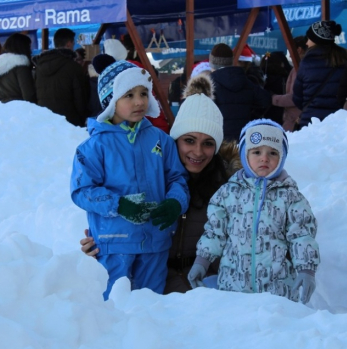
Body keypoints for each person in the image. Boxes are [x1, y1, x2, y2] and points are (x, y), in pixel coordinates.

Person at [80, 73, 242, 294]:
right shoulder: (151, 177)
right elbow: (94, 196)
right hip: (161, 280)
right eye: (189, 140)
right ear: (174, 140)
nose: (197, 152)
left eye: (207, 143)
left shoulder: (229, 188)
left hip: (207, 286)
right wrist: (101, 243)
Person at [70, 60, 190, 300]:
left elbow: (178, 178)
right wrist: (118, 204)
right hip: (114, 245)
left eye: (144, 93)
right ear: (111, 101)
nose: (139, 101)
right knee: (113, 308)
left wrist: (175, 202)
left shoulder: (161, 140)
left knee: (150, 307)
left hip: (155, 243)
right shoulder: (94, 146)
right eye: (129, 95)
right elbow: (82, 190)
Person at [187, 119, 320, 304]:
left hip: (277, 291)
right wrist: (202, 262)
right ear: (244, 155)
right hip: (233, 287)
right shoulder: (228, 192)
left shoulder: (291, 196)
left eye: (273, 153)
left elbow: (302, 235)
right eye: (256, 152)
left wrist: (307, 270)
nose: (264, 158)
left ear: (282, 157)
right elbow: (215, 231)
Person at [210, 43, 271, 142]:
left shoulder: (209, 83)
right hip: (244, 139)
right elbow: (265, 100)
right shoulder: (246, 81)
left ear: (211, 62)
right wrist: (251, 117)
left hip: (218, 140)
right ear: (231, 61)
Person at [293, 20, 347, 129]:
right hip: (339, 122)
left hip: (311, 122)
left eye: (309, 38)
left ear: (317, 40)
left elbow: (297, 98)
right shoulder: (344, 59)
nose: (306, 43)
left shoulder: (307, 62)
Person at [33, 28, 89, 127]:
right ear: (68, 44)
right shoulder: (74, 67)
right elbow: (80, 99)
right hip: (69, 122)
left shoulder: (39, 66)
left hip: (44, 121)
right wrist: (82, 121)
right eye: (73, 43)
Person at [0, 33, 37, 104]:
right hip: (21, 110)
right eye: (28, 47)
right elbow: (29, 95)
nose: (30, 51)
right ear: (22, 48)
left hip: (4, 111)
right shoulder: (21, 66)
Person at [271, 36, 308, 132]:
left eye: (290, 51)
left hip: (295, 120)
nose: (290, 56)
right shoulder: (305, 67)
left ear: (299, 50)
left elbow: (293, 98)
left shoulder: (299, 68)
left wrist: (271, 98)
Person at [260, 51, 291, 124]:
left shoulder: (258, 79)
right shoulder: (287, 79)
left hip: (260, 120)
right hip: (281, 120)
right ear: (282, 64)